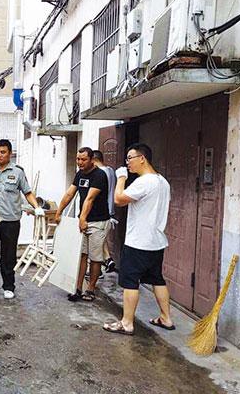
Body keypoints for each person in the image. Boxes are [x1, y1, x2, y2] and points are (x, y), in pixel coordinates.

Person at [103, 143, 173, 335]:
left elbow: (119, 199)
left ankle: (127, 322)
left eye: (130, 158)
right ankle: (166, 318)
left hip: (138, 242)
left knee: (130, 281)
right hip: (156, 242)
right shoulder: (162, 182)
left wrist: (121, 177)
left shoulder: (144, 182)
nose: (128, 163)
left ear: (142, 158)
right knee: (157, 279)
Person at [0, 139, 45, 300]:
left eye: (3, 152)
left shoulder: (18, 172)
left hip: (11, 220)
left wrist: (36, 207)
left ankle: (8, 286)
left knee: (8, 255)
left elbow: (27, 192)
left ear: (10, 154)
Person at [54, 147, 110, 302]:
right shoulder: (79, 174)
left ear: (91, 159)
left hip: (98, 222)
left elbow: (90, 199)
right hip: (83, 221)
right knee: (82, 255)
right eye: (78, 159)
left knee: (95, 257)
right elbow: (69, 194)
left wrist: (83, 218)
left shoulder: (99, 175)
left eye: (83, 159)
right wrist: (59, 212)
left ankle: (91, 289)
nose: (80, 162)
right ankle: (77, 288)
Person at [92, 150, 117, 273]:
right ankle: (108, 260)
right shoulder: (111, 171)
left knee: (95, 241)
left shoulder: (100, 173)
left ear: (94, 160)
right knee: (101, 239)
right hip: (110, 209)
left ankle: (99, 269)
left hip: (103, 211)